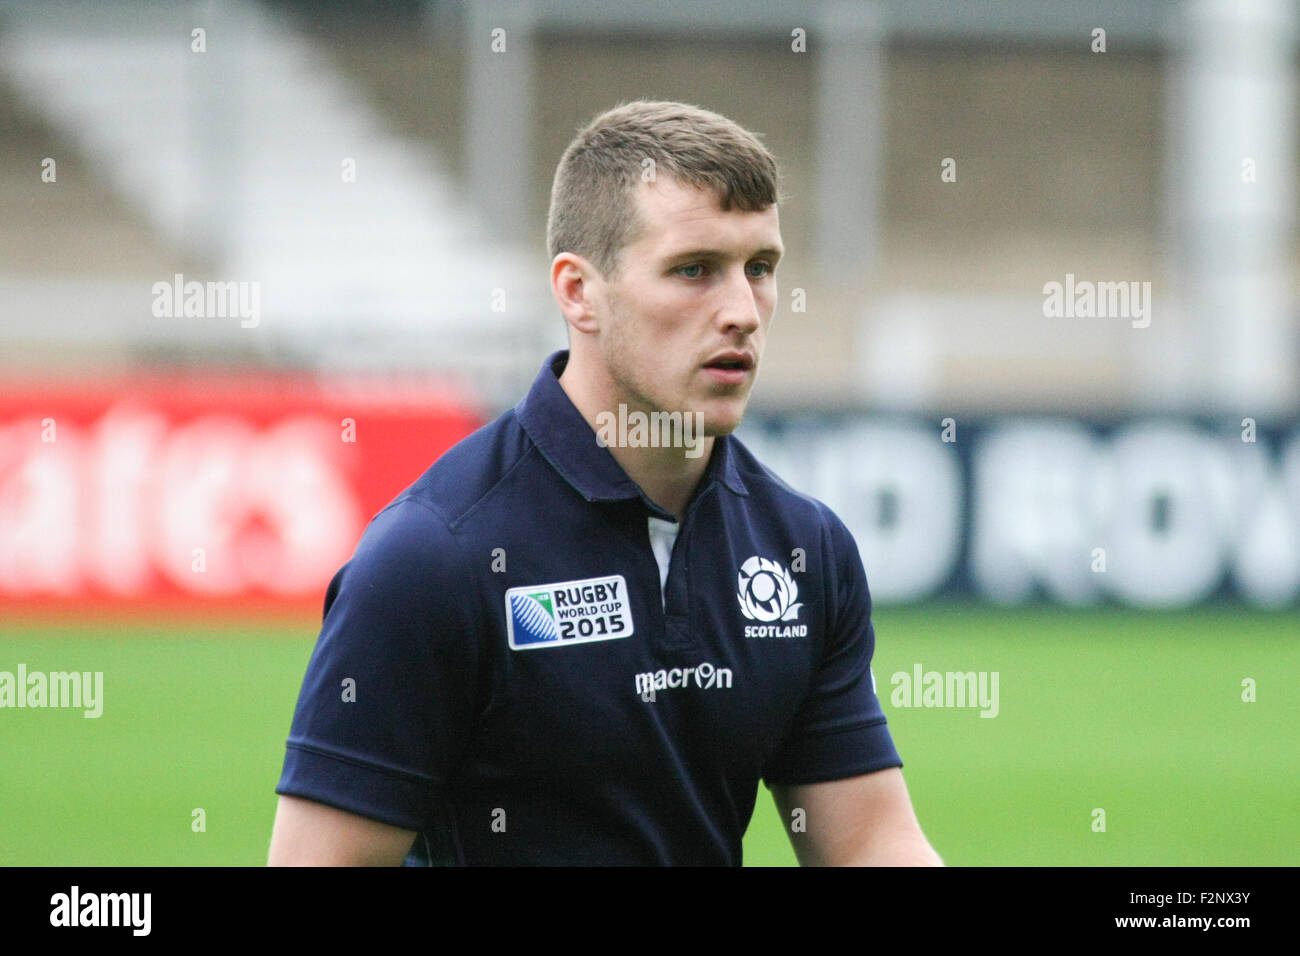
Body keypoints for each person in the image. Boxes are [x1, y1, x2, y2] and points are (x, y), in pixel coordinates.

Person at [268, 100, 942, 866]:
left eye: (760, 269)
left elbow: (867, 845)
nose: (741, 312)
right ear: (578, 292)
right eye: (694, 270)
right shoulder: (434, 558)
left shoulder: (802, 548)